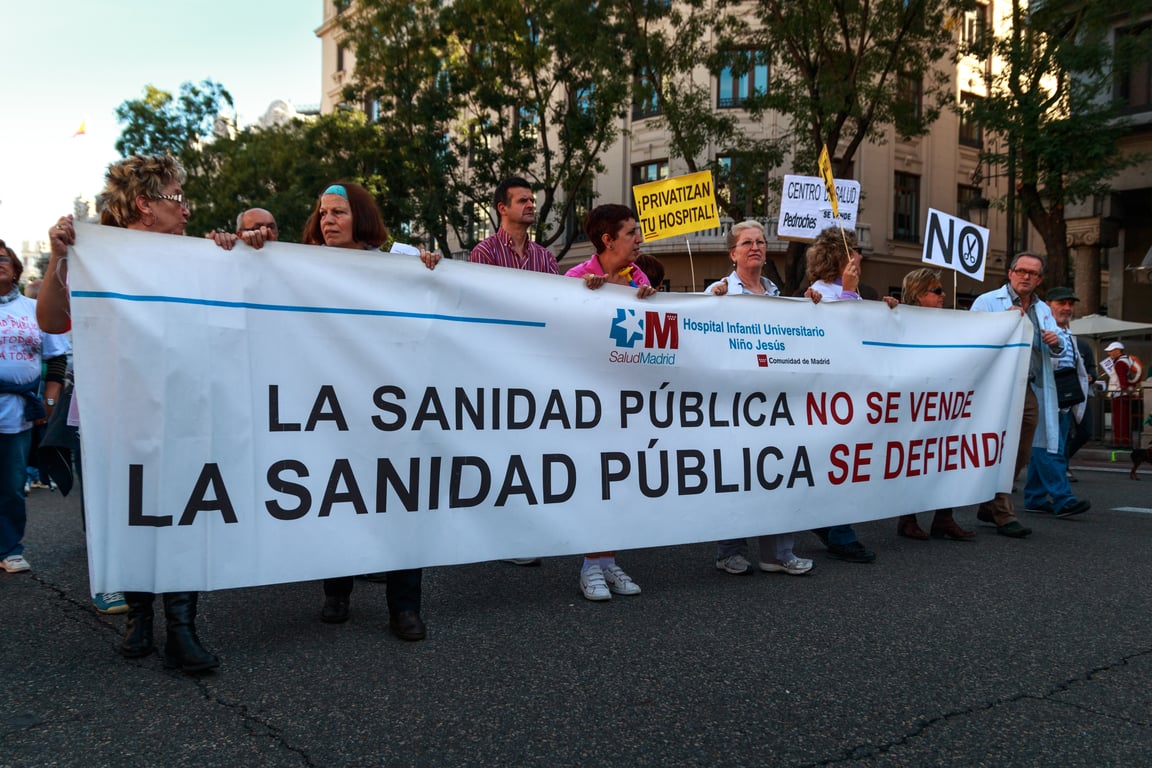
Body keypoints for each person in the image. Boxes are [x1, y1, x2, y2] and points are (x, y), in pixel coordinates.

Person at [41, 154, 221, 672]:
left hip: (182, 411)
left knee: (184, 515)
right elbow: (53, 319)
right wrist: (58, 258)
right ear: (145, 204)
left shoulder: (196, 257)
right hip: (112, 415)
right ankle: (139, 619)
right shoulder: (94, 255)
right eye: (177, 198)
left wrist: (239, 250)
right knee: (130, 514)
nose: (186, 210)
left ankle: (182, 630)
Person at [301, 181, 440, 641]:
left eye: (338, 212)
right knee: (337, 497)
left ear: (360, 216)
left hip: (391, 407)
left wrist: (431, 271)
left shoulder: (398, 263)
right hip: (334, 407)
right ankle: (336, 591)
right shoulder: (302, 266)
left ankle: (404, 606)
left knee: (402, 502)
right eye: (323, 213)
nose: (328, 221)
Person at [704, 221, 815, 575]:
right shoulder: (718, 293)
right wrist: (711, 307)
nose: (755, 247)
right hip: (735, 404)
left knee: (779, 473)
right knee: (736, 476)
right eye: (747, 242)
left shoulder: (777, 296)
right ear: (732, 252)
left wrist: (814, 306)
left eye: (760, 242)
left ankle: (778, 553)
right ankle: (729, 551)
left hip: (775, 403)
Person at [565, 204, 655, 600]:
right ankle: (590, 565)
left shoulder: (640, 278)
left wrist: (649, 303)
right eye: (632, 233)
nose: (639, 240)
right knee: (593, 481)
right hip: (586, 400)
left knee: (618, 482)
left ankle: (608, 560)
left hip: (627, 400)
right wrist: (584, 302)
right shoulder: (573, 279)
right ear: (608, 240)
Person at [470, 176, 558, 566]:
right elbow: (482, 307)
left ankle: (526, 532)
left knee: (531, 450)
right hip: (498, 365)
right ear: (501, 208)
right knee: (503, 450)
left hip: (536, 365)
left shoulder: (545, 258)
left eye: (532, 200)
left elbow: (561, 304)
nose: (530, 205)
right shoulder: (483, 252)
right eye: (522, 200)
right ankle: (502, 534)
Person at [804, 226, 889, 562]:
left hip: (852, 390)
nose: (860, 257)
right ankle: (840, 533)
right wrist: (850, 293)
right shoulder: (817, 292)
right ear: (839, 257)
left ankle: (830, 524)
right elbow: (841, 334)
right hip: (830, 393)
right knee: (839, 461)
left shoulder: (852, 290)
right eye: (853, 251)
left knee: (844, 462)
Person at [969, 252, 1065, 538]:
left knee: (1023, 450)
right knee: (1001, 447)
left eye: (1032, 273)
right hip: (996, 384)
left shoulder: (1043, 309)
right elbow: (969, 338)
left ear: (1040, 279)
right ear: (1009, 273)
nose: (1026, 276)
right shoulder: (987, 302)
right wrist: (1000, 324)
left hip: (1027, 385)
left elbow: (1057, 354)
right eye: (1021, 270)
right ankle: (1003, 512)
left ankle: (990, 500)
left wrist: (1056, 343)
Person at [0, 241, 69, 575]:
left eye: (3, 259)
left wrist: (50, 402)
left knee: (12, 485)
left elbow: (56, 358)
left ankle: (10, 548)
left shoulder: (34, 308)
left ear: (15, 268)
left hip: (18, 411)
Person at [892, 269, 976, 541]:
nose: (943, 295)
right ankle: (907, 519)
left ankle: (944, 518)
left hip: (943, 401)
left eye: (942, 289)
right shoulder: (897, 319)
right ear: (917, 295)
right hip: (912, 402)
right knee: (913, 459)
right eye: (936, 291)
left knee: (945, 456)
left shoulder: (947, 322)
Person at [1023, 286, 1092, 517]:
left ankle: (1034, 496)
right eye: (1061, 303)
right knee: (1048, 449)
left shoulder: (1066, 332)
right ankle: (1063, 499)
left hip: (1063, 399)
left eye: (1070, 304)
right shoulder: (1041, 328)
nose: (1067, 308)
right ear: (1047, 305)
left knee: (1048, 448)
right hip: (1043, 393)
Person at [1102, 341, 1139, 448]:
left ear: (1117, 351)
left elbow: (1122, 379)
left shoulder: (1120, 363)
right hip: (1123, 394)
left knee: (1119, 419)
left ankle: (1120, 442)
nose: (1109, 354)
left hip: (1119, 394)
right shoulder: (1125, 361)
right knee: (1123, 419)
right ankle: (1124, 441)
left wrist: (1123, 390)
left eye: (1111, 351)